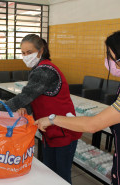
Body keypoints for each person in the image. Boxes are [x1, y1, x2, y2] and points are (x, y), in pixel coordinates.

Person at [0, 34, 82, 184]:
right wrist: (25, 108)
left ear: (41, 51)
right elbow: (33, 97)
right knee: (49, 172)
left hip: (63, 130)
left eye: (29, 52)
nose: (25, 56)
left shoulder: (45, 71)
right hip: (50, 130)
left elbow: (25, 96)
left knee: (61, 176)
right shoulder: (39, 68)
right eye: (23, 53)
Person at [35, 30, 120, 185]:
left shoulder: (49, 70)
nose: (107, 60)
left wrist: (52, 119)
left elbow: (92, 124)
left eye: (110, 56)